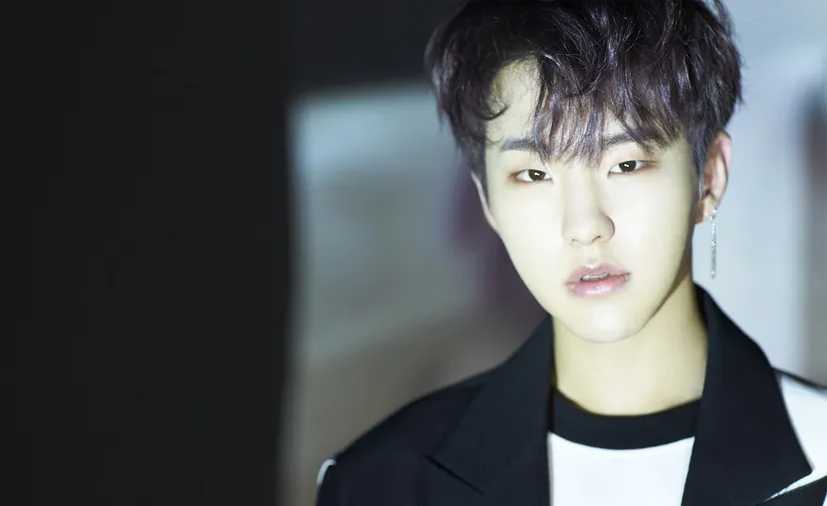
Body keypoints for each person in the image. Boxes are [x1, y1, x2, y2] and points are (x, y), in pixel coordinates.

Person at [314, 1, 827, 504]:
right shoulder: (381, 482)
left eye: (626, 164)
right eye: (534, 174)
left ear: (709, 176)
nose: (585, 227)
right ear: (486, 200)